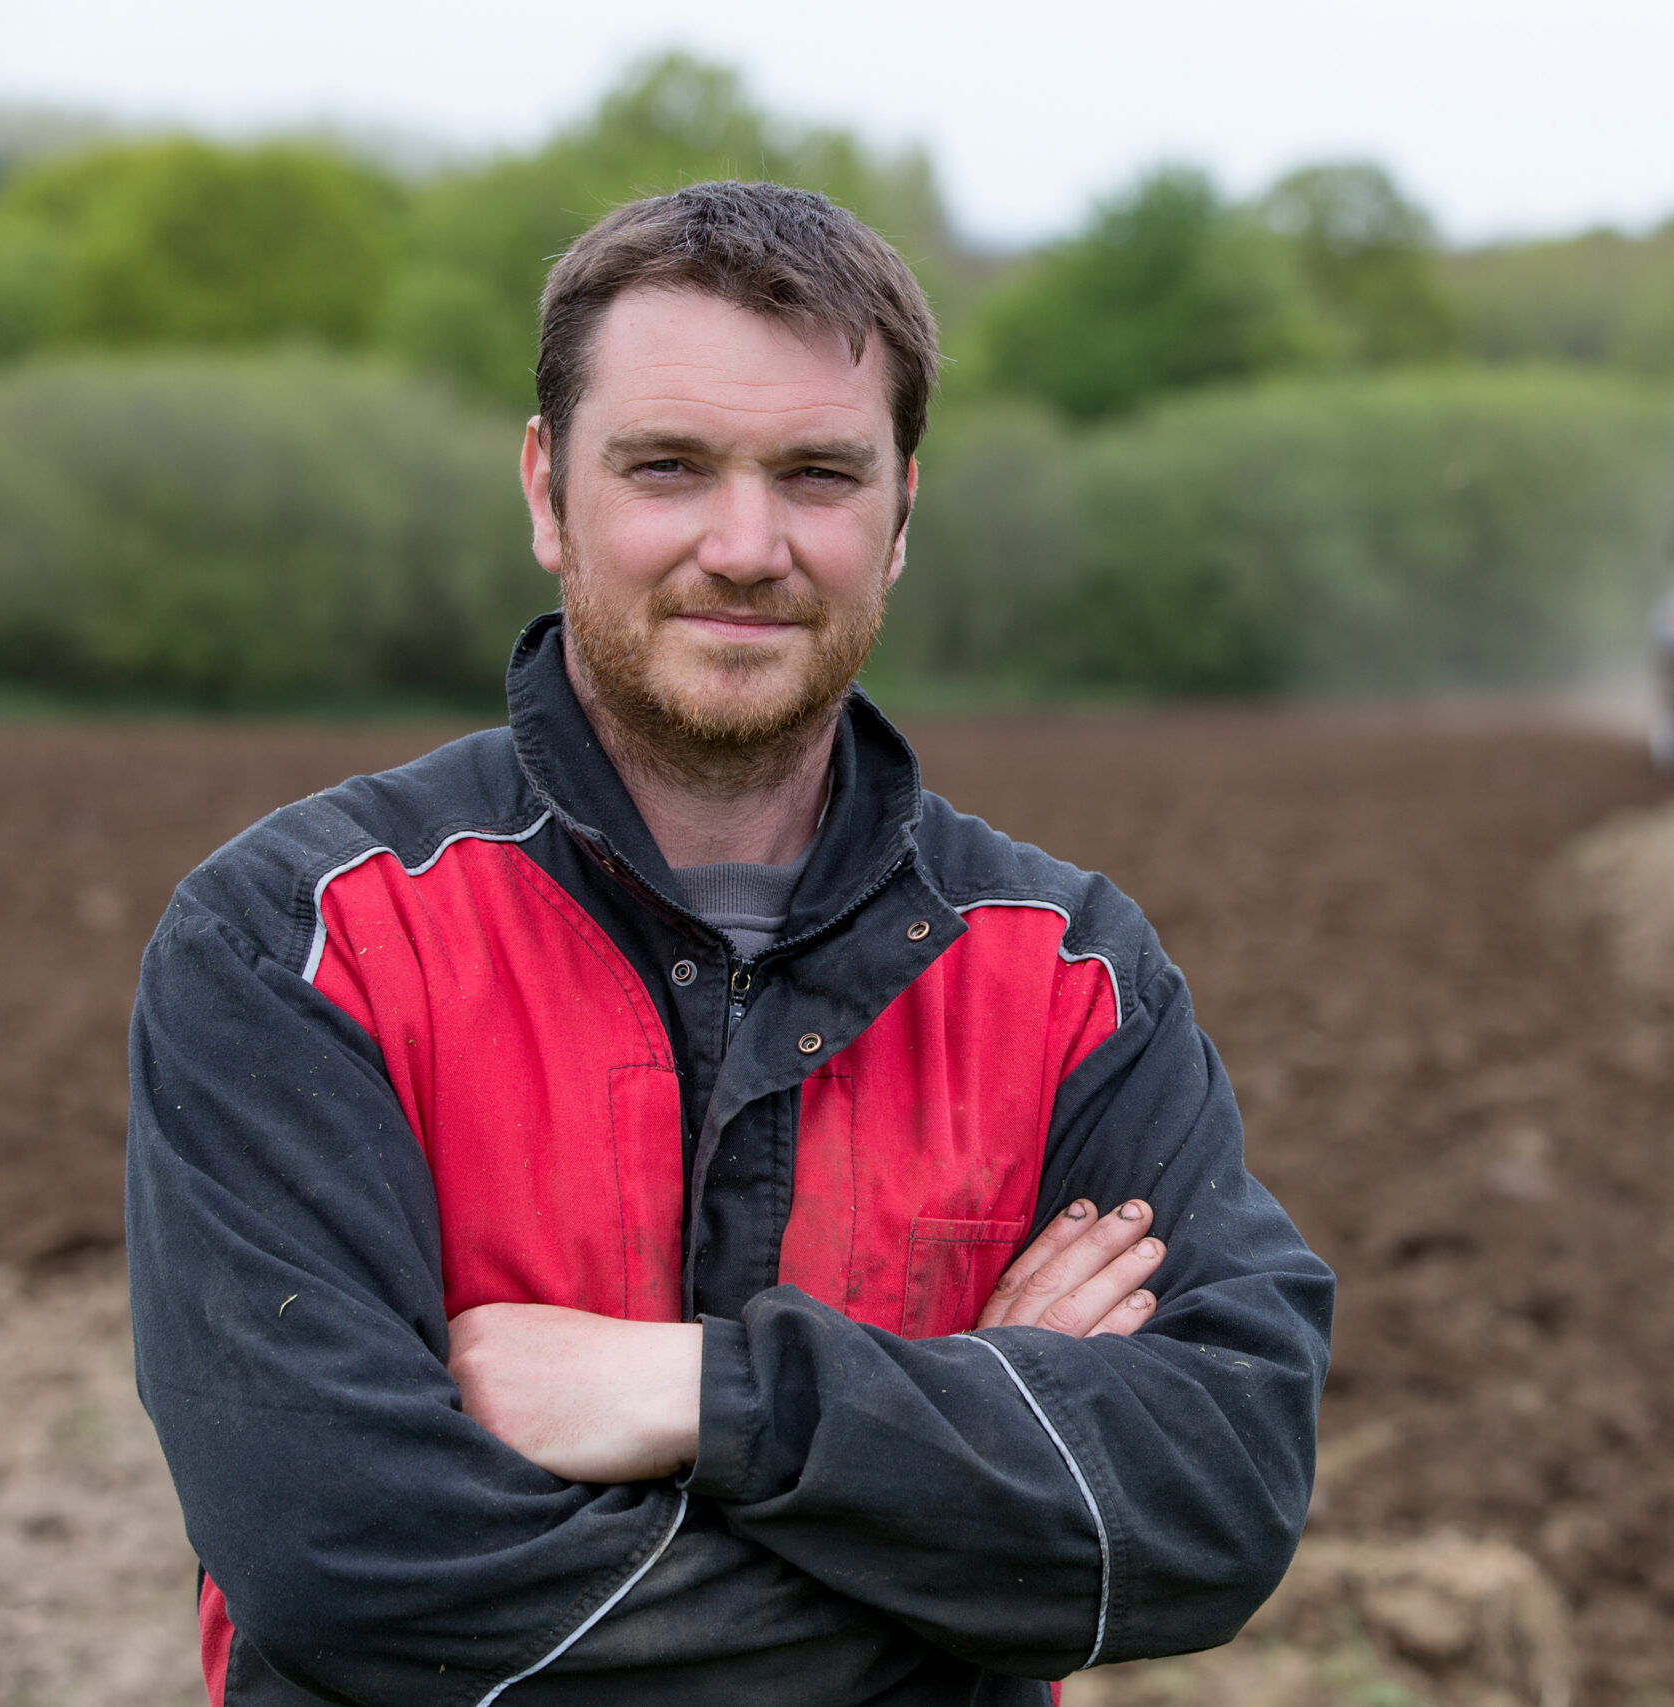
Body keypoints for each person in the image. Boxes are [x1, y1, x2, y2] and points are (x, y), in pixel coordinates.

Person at [126, 180, 1333, 1707]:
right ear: (549, 494)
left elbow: (1213, 1501)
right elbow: (352, 1567)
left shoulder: (1069, 979)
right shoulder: (305, 942)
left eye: (819, 474)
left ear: (901, 515)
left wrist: (703, 1395)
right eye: (670, 467)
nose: (747, 544)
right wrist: (974, 1469)